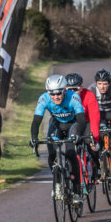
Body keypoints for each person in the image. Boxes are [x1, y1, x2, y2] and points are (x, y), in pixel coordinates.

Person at [30, 75, 87, 204]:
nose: (56, 97)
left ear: (65, 90)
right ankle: (57, 182)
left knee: (71, 154)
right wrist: (34, 138)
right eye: (52, 94)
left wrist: (78, 134)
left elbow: (81, 119)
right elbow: (36, 121)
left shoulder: (73, 97)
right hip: (56, 125)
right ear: (48, 92)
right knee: (51, 153)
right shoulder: (44, 99)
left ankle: (76, 192)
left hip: (73, 124)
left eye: (59, 93)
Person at [65, 73, 100, 182]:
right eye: (69, 89)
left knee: (91, 143)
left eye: (75, 89)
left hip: (86, 122)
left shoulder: (89, 95)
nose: (72, 92)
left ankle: (96, 166)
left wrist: (94, 138)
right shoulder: (63, 97)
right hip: (72, 124)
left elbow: (94, 118)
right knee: (69, 148)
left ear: (81, 88)